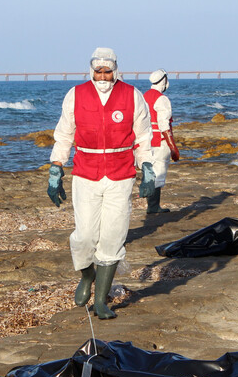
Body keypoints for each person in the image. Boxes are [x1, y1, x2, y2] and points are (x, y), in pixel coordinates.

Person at [47, 47, 155, 320]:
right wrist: (56, 168)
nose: (103, 77)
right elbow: (64, 135)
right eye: (98, 71)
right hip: (86, 174)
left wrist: (147, 168)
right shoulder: (76, 95)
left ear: (116, 70)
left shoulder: (132, 96)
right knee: (84, 237)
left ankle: (101, 301)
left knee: (113, 236)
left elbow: (143, 136)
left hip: (121, 175)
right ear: (91, 70)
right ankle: (87, 275)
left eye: (108, 71)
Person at [143, 69, 180, 214]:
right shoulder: (162, 99)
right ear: (164, 81)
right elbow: (164, 125)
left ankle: (151, 205)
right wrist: (173, 147)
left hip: (146, 141)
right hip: (159, 142)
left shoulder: (143, 96)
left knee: (149, 172)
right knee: (158, 173)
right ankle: (153, 207)